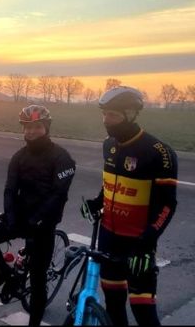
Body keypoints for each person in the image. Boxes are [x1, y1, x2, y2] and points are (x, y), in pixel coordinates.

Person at [0, 105, 76, 327]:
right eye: (27, 127)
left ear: (46, 127)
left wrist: (37, 221)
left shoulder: (62, 158)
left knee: (38, 280)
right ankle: (2, 275)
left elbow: (58, 195)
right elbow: (10, 190)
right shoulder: (19, 156)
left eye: (37, 127)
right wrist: (10, 217)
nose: (31, 131)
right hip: (19, 216)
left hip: (43, 223)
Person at [82, 86, 177, 326]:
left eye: (113, 115)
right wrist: (96, 203)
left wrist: (147, 243)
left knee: (143, 311)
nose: (106, 120)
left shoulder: (159, 152)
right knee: (114, 306)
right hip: (108, 239)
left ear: (131, 114)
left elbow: (168, 205)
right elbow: (111, 185)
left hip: (138, 244)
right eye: (104, 114)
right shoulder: (108, 145)